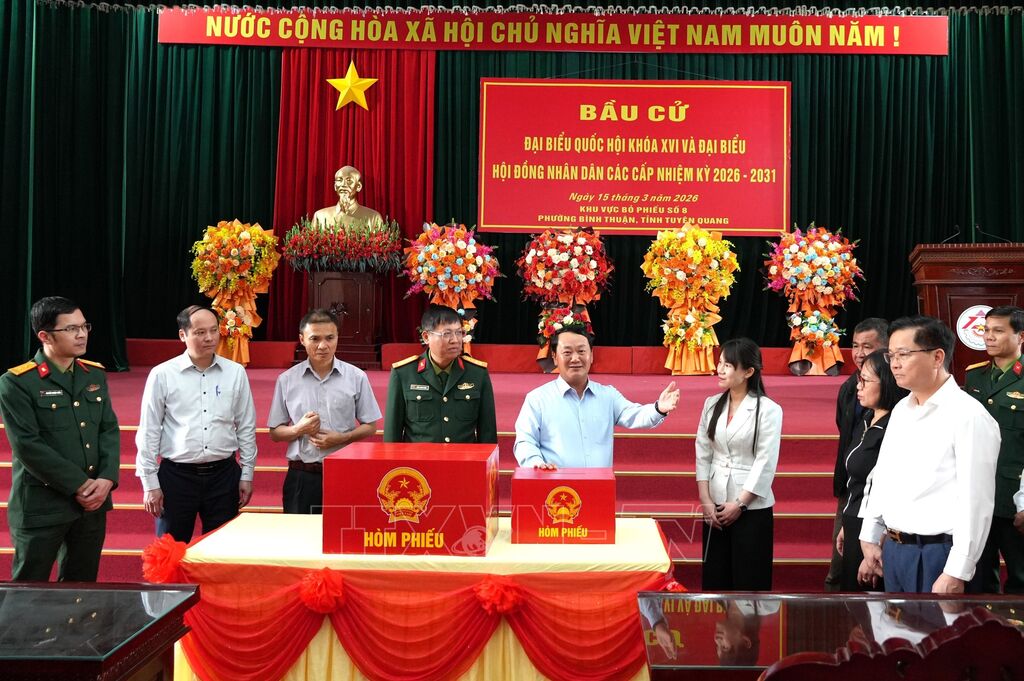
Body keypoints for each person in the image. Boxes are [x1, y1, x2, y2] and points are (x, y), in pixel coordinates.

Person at [858, 316, 1000, 593]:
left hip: (939, 554)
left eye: (903, 354)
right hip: (895, 550)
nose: (894, 364)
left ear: (937, 357)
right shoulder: (902, 409)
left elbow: (977, 501)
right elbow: (884, 475)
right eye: (891, 355)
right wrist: (870, 535)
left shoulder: (968, 416)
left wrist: (957, 570)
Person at [0, 296, 120, 581]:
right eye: (70, 329)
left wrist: (106, 479)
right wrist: (80, 485)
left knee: (82, 588)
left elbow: (108, 429)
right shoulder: (17, 382)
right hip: (43, 505)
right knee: (30, 589)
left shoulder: (94, 375)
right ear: (44, 336)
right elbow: (28, 446)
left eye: (84, 326)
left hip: (91, 505)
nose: (81, 334)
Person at [135, 305, 258, 543]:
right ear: (183, 335)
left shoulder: (235, 372)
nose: (209, 338)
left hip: (224, 476)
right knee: (170, 552)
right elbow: (149, 430)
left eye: (214, 330)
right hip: (176, 477)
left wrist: (247, 474)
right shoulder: (162, 374)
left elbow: (245, 425)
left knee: (221, 551)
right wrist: (149, 483)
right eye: (200, 332)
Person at [513, 325, 680, 469]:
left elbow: (635, 415)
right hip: (557, 490)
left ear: (591, 356)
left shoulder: (607, 396)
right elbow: (525, 441)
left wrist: (658, 408)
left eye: (581, 351)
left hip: (599, 487)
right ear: (555, 357)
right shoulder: (537, 399)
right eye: (567, 352)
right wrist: (536, 464)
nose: (575, 358)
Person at [268, 309, 381, 514]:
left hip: (344, 472)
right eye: (315, 339)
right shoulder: (287, 380)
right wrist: (298, 429)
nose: (323, 345)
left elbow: (370, 426)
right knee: (300, 532)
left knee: (344, 532)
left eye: (330, 338)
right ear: (302, 340)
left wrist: (343, 438)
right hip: (302, 475)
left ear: (337, 337)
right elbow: (275, 432)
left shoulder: (356, 377)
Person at [696, 338, 783, 591]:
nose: (720, 369)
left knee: (749, 582)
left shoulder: (768, 409)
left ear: (748, 371)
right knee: (715, 581)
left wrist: (741, 504)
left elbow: (765, 461)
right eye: (720, 363)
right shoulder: (712, 404)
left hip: (751, 508)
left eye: (728, 365)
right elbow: (702, 452)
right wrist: (705, 499)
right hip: (715, 506)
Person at [835, 350, 908, 591]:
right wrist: (847, 524)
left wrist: (877, 543)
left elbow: (891, 491)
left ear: (887, 383)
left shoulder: (894, 427)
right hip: (855, 522)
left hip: (876, 532)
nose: (858, 386)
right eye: (859, 378)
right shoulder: (867, 418)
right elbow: (857, 482)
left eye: (865, 380)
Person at [964, 306, 1024, 593]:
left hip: (1014, 500)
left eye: (998, 331)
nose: (988, 337)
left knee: (1020, 581)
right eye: (986, 330)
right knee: (978, 583)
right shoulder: (974, 376)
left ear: (1020, 336)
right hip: (978, 496)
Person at [825, 318, 888, 591]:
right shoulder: (850, 386)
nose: (860, 353)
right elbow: (845, 430)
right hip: (851, 486)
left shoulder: (897, 406)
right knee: (841, 562)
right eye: (855, 346)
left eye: (868, 346)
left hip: (878, 497)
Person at [384, 304, 497, 444]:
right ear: (426, 337)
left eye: (459, 333)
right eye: (447, 334)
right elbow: (392, 434)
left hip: (463, 457)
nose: (455, 340)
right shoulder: (403, 373)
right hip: (419, 458)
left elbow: (488, 433)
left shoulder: (477, 373)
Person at [311, 165, 384, 230]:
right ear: (335, 186)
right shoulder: (320, 216)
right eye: (339, 180)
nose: (343, 184)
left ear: (358, 186)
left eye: (349, 181)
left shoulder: (373, 217)